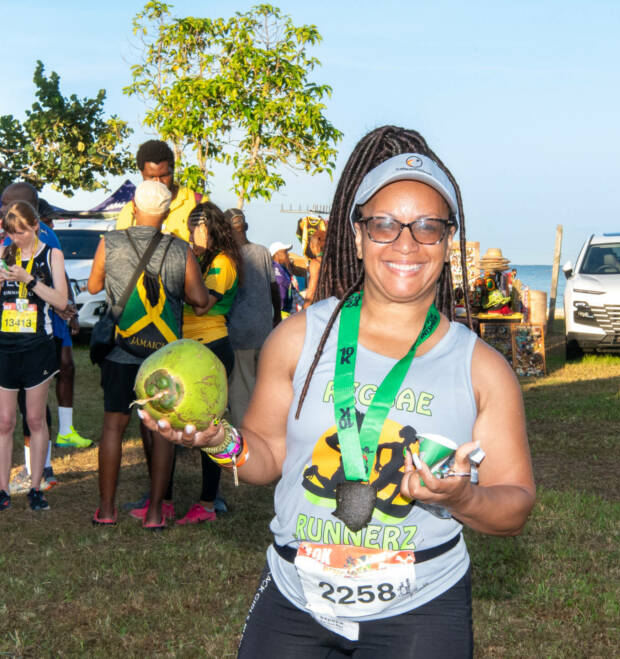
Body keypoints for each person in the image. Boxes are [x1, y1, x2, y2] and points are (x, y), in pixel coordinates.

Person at [140, 126, 535, 655]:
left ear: (447, 239)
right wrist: (217, 440)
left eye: (426, 227)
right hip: (297, 596)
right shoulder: (298, 338)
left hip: (420, 604)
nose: (405, 244)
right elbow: (266, 456)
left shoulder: (482, 368)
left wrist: (463, 496)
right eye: (384, 225)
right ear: (356, 236)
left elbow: (514, 506)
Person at [86, 181, 208, 527]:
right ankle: (156, 513)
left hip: (122, 351)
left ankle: (106, 510)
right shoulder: (179, 249)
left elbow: (94, 286)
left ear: (134, 207)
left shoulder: (110, 242)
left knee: (113, 427)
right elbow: (199, 300)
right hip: (164, 358)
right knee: (162, 430)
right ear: (167, 213)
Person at [0, 202, 70, 513]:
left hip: (37, 347)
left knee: (35, 419)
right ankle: (3, 490)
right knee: (4, 420)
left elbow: (61, 301)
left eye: (21, 232)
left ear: (35, 225)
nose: (16, 240)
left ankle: (36, 487)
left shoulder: (51, 255)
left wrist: (28, 280)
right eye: (10, 234)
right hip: (3, 346)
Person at [163, 201, 242, 526]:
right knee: (177, 424)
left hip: (211, 348)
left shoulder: (222, 262)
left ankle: (208, 502)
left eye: (197, 228)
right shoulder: (203, 259)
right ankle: (164, 499)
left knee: (209, 428)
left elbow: (200, 306)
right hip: (189, 350)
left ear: (211, 228)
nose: (193, 234)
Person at [224, 209, 279, 429]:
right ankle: (263, 430)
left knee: (240, 389)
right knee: (262, 386)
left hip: (239, 333)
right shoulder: (262, 251)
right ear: (245, 227)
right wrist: (274, 317)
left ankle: (244, 435)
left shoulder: (228, 257)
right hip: (264, 330)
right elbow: (274, 288)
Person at [114, 140, 206, 242]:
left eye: (163, 176)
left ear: (173, 170)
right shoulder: (130, 211)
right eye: (151, 177)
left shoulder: (198, 203)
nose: (158, 182)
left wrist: (178, 246)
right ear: (141, 173)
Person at [300, 229, 327, 308]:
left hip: (321, 306)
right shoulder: (332, 261)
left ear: (312, 246)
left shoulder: (315, 263)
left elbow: (311, 292)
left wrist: (303, 310)